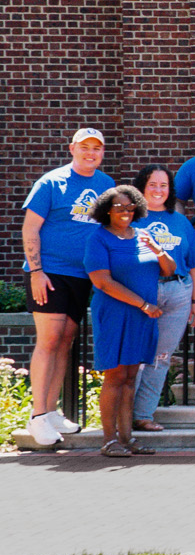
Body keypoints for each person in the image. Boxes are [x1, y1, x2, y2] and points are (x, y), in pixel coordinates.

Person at [19, 128, 116, 446]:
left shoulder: (105, 185)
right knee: (48, 340)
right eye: (85, 147)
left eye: (97, 149)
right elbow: (30, 228)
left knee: (65, 342)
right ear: (72, 148)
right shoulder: (51, 182)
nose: (91, 153)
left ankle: (52, 411)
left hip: (83, 275)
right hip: (50, 273)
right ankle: (37, 416)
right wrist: (36, 272)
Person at [82, 186, 175, 457]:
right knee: (115, 375)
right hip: (115, 313)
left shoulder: (144, 235)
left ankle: (127, 439)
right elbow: (102, 281)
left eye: (130, 207)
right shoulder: (98, 238)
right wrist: (143, 304)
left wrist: (158, 250)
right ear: (106, 210)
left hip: (142, 316)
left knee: (131, 376)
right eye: (119, 207)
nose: (125, 212)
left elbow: (169, 270)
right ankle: (109, 440)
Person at [127, 166, 195, 433]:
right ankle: (122, 417)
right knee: (134, 356)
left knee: (161, 357)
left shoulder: (180, 221)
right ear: (141, 187)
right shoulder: (129, 218)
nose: (158, 190)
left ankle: (143, 414)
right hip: (141, 293)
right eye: (152, 185)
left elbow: (194, 263)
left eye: (164, 186)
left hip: (178, 292)